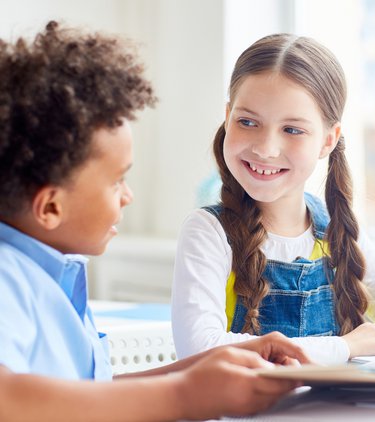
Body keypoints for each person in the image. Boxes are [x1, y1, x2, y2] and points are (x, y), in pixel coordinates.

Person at [0, 22, 309, 422]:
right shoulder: (7, 276)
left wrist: (206, 368)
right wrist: (182, 395)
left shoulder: (52, 276)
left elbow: (84, 397)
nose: (128, 196)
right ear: (50, 207)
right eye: (117, 181)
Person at [171, 33, 375, 365]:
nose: (265, 148)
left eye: (292, 130)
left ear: (328, 140)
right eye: (247, 122)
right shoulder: (209, 232)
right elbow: (201, 349)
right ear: (228, 117)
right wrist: (345, 347)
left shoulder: (336, 227)